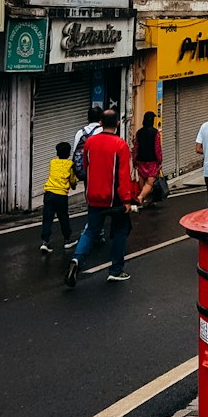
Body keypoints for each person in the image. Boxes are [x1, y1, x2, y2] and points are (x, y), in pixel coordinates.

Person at [65, 110, 134, 286]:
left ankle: (77, 260)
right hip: (114, 198)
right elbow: (124, 174)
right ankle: (116, 270)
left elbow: (85, 168)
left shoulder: (89, 143)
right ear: (117, 124)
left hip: (93, 195)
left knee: (90, 230)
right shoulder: (120, 145)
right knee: (120, 230)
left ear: (101, 123)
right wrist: (127, 199)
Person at [40, 140, 77, 253]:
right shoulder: (70, 165)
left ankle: (45, 242)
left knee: (47, 218)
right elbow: (72, 180)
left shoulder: (52, 162)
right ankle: (67, 240)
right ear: (69, 153)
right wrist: (73, 185)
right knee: (63, 217)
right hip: (61, 195)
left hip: (49, 193)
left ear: (57, 153)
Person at [132, 111, 163, 207]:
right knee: (150, 183)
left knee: (142, 179)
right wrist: (159, 161)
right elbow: (157, 148)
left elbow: (136, 147)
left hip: (140, 160)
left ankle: (147, 200)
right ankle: (141, 197)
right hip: (152, 161)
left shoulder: (139, 132)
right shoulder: (155, 133)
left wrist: (134, 160)